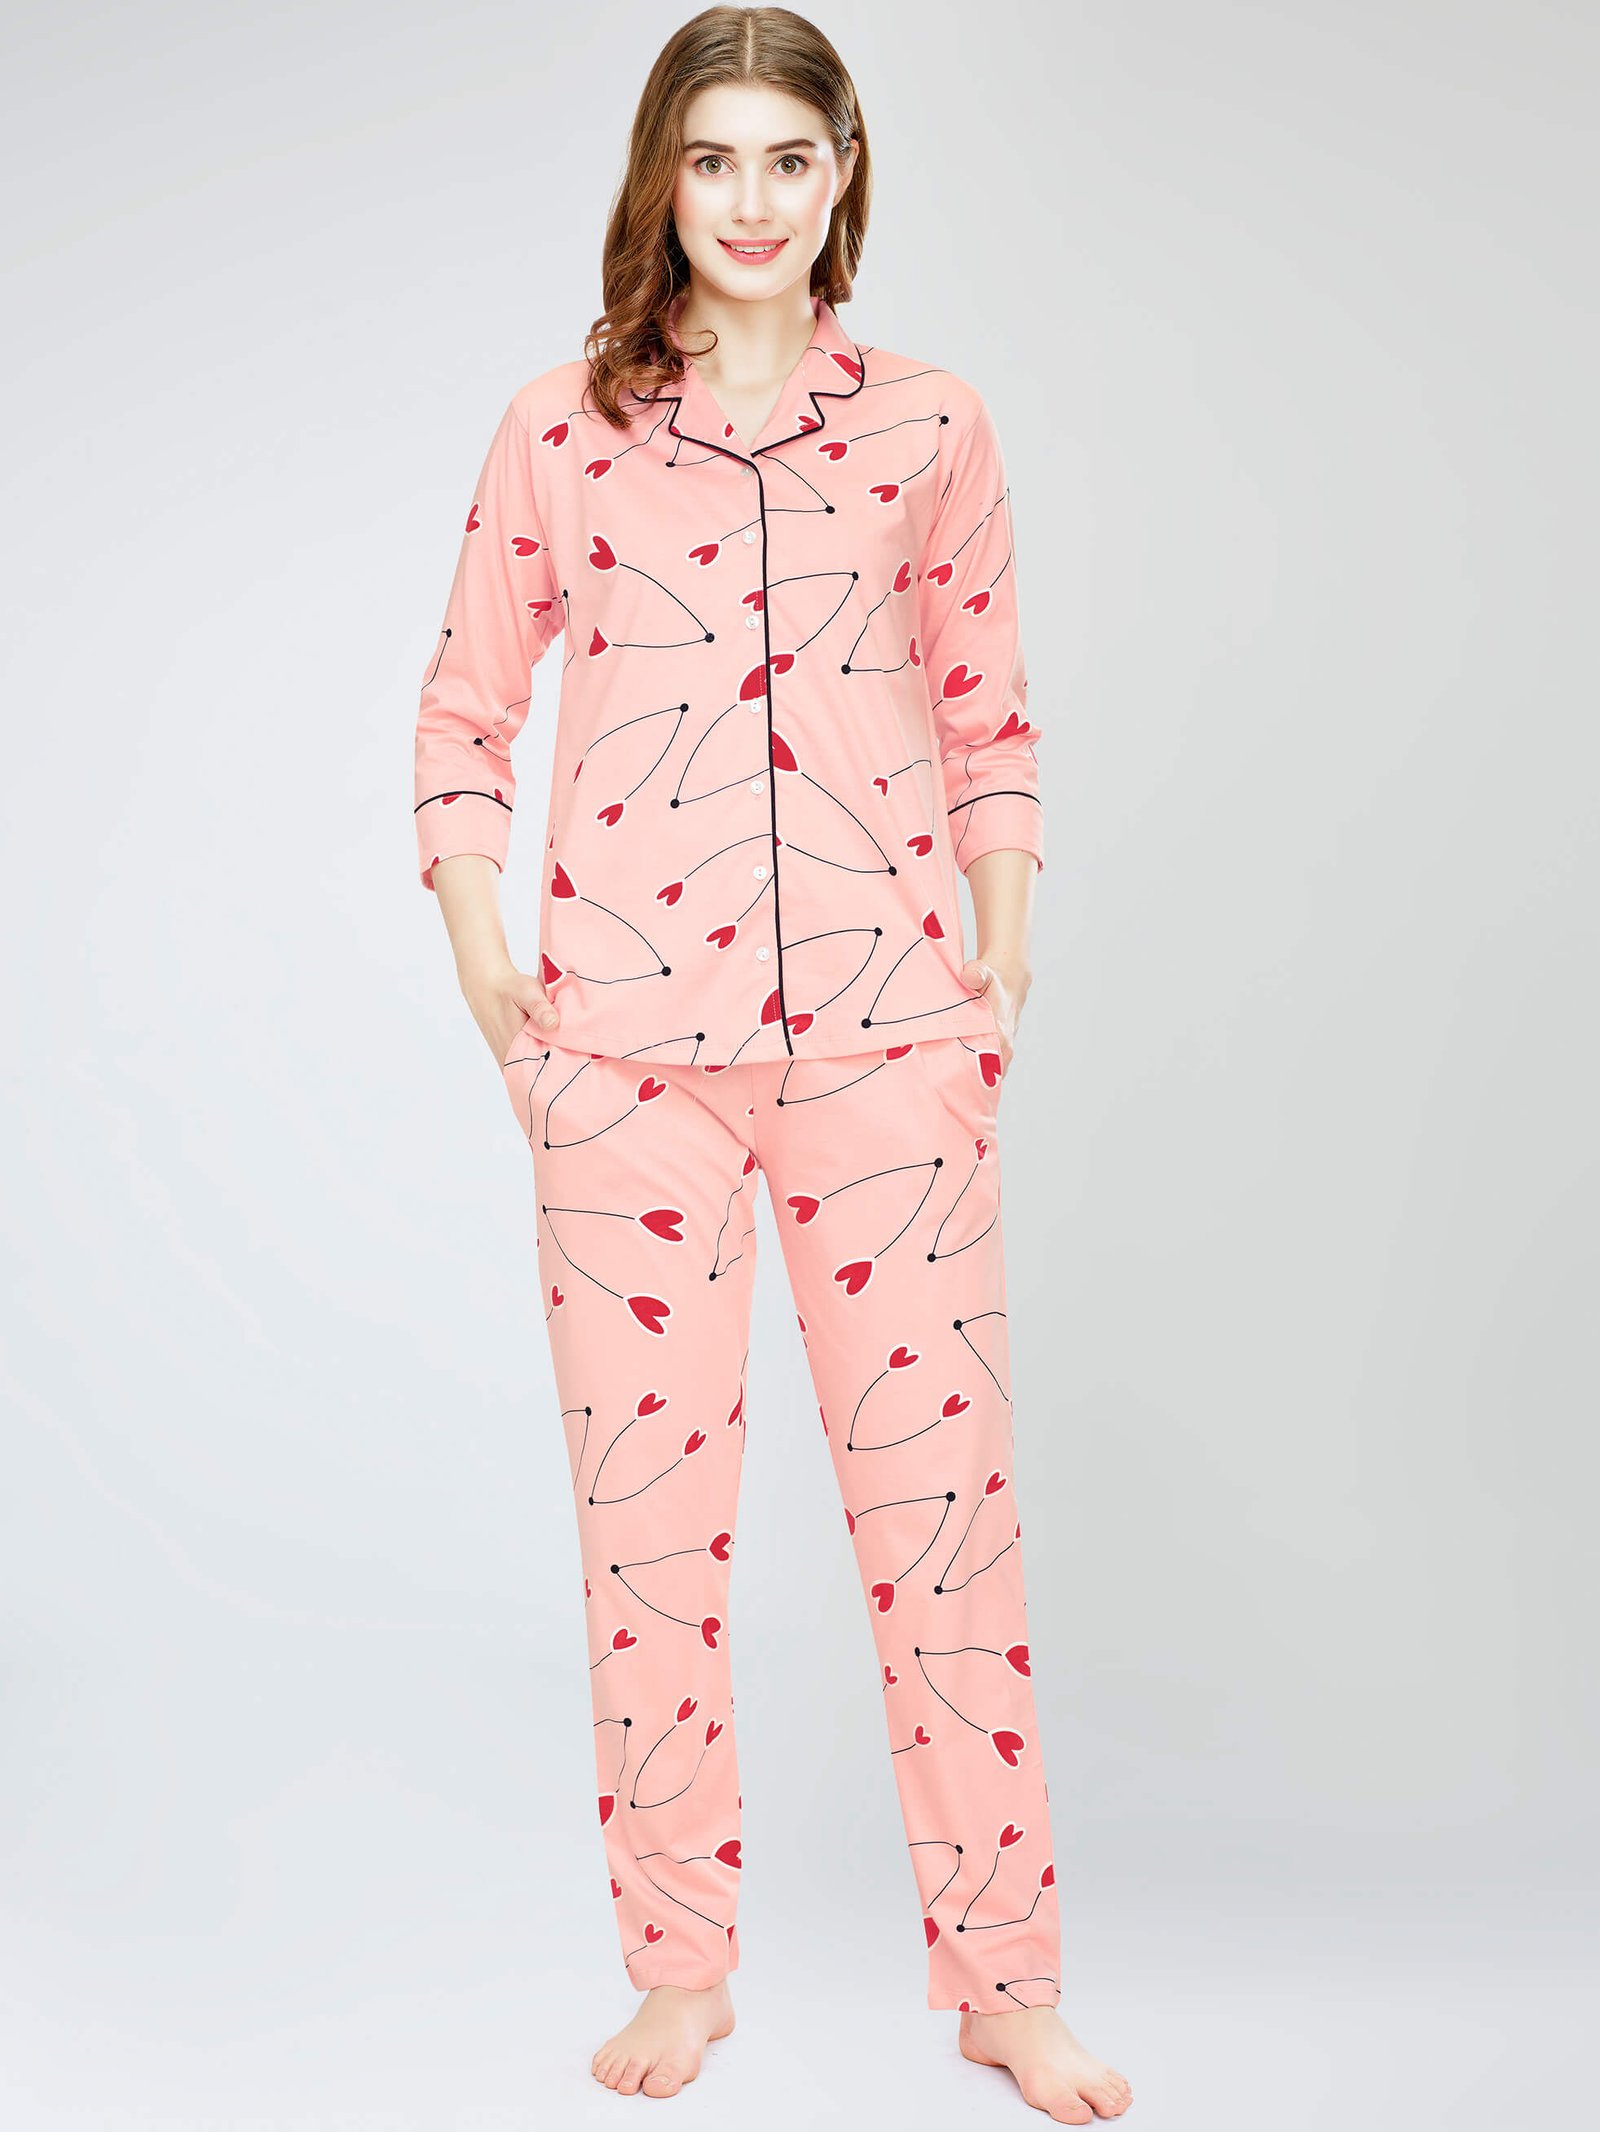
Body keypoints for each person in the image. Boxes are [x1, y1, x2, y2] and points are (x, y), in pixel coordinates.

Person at [411, 8, 1132, 2120]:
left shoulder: (928, 428)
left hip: (892, 1046)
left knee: (946, 1530)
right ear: (664, 175)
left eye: (785, 160)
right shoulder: (561, 433)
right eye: (711, 157)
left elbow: (991, 714)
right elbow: (461, 718)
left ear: (842, 175)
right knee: (649, 1541)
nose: (747, 200)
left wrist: (999, 969)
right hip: (626, 1065)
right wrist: (496, 984)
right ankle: (679, 1970)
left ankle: (1003, 1985)